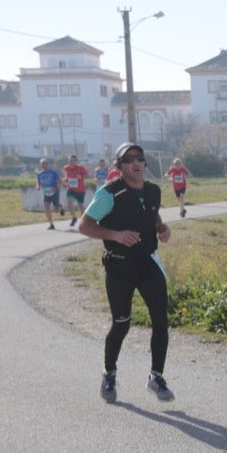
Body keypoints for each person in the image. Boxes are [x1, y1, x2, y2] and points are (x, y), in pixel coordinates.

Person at [78, 142, 175, 404]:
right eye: (129, 159)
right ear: (119, 166)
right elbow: (84, 226)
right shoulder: (110, 193)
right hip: (119, 266)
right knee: (121, 324)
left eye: (140, 158)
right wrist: (116, 235)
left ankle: (156, 377)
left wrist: (162, 228)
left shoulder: (153, 191)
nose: (136, 163)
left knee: (161, 321)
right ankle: (109, 374)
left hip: (147, 262)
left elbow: (152, 214)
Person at [62, 154, 89, 228]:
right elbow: (66, 175)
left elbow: (87, 175)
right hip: (71, 189)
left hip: (80, 190)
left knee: (81, 206)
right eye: (70, 160)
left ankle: (85, 220)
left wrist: (81, 177)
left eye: (73, 160)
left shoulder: (80, 167)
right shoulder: (66, 168)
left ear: (75, 161)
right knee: (69, 203)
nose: (71, 162)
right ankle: (74, 218)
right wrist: (65, 179)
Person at [35, 158, 62, 229]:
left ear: (48, 164)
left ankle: (59, 208)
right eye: (42, 164)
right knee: (47, 207)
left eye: (44, 163)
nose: (43, 165)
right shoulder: (39, 174)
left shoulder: (53, 172)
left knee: (56, 210)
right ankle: (51, 224)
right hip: (46, 194)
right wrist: (38, 186)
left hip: (55, 193)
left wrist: (55, 188)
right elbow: (38, 182)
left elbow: (60, 181)